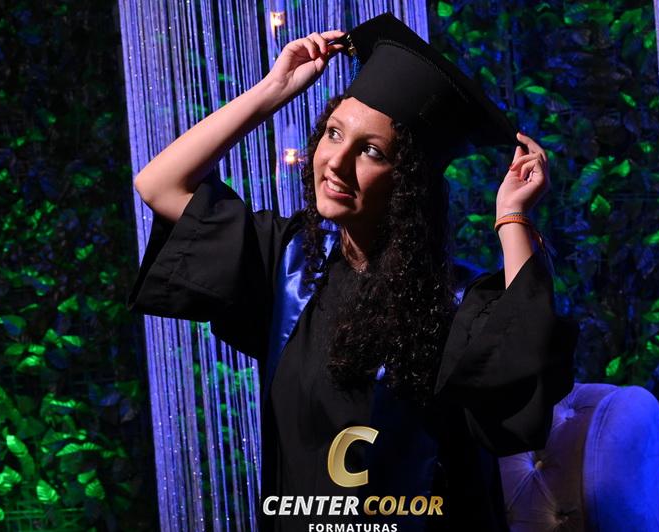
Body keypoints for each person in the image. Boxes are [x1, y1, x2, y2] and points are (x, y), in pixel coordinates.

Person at [128, 13, 579, 532]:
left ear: (408, 182)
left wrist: (513, 215)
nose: (335, 163)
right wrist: (273, 90)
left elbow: (522, 373)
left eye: (370, 150)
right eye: (333, 133)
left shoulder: (455, 303)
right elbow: (159, 185)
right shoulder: (289, 265)